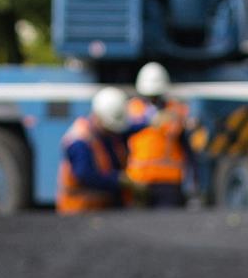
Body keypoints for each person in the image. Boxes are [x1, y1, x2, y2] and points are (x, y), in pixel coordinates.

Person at [123, 62, 193, 208]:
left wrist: (192, 181)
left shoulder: (175, 111)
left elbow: (187, 147)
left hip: (169, 183)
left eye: (156, 96)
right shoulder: (132, 109)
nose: (153, 99)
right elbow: (122, 139)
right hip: (139, 182)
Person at [56, 87, 134, 213]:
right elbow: (84, 175)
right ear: (97, 117)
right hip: (79, 211)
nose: (113, 132)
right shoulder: (80, 140)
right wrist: (119, 180)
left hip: (101, 211)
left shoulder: (105, 134)